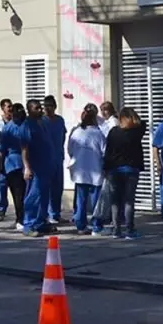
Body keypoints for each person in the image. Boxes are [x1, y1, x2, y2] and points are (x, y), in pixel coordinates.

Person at [103, 108, 145, 239]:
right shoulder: (136, 132)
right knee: (128, 200)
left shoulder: (114, 132)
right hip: (131, 169)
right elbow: (142, 124)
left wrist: (106, 168)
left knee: (115, 201)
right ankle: (130, 230)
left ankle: (116, 230)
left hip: (114, 170)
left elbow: (108, 151)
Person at [67, 103, 105, 234]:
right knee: (96, 201)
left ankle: (81, 225)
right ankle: (96, 226)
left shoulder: (76, 132)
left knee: (81, 200)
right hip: (95, 171)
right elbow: (104, 152)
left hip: (80, 171)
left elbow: (70, 150)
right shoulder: (98, 134)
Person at [19, 100, 53, 237]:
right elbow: (24, 148)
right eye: (36, 108)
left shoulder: (43, 122)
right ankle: (28, 224)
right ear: (29, 110)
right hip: (35, 166)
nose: (40, 110)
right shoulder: (26, 126)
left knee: (44, 195)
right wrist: (27, 167)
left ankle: (40, 222)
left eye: (40, 107)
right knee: (33, 196)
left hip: (46, 164)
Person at [0, 103, 28, 231]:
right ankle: (23, 218)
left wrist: (0, 166)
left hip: (12, 164)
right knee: (24, 193)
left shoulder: (8, 128)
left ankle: (20, 218)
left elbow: (1, 149)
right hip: (21, 163)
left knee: (18, 194)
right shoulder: (26, 126)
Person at [41, 95, 67, 225]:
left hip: (58, 158)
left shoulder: (60, 120)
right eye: (46, 106)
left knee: (58, 188)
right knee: (46, 188)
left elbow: (63, 136)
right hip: (45, 160)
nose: (48, 109)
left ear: (55, 107)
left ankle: (56, 214)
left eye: (50, 106)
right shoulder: (41, 121)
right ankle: (45, 215)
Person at [92, 100, 117, 233]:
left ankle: (110, 218)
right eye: (102, 110)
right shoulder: (105, 122)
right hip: (105, 160)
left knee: (109, 192)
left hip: (110, 159)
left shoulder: (113, 122)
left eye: (106, 110)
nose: (104, 113)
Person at [0, 99, 13, 220]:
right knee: (2, 183)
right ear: (3, 108)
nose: (10, 109)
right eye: (8, 107)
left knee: (16, 184)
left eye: (11, 106)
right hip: (2, 156)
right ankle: (2, 208)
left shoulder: (16, 122)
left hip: (13, 156)